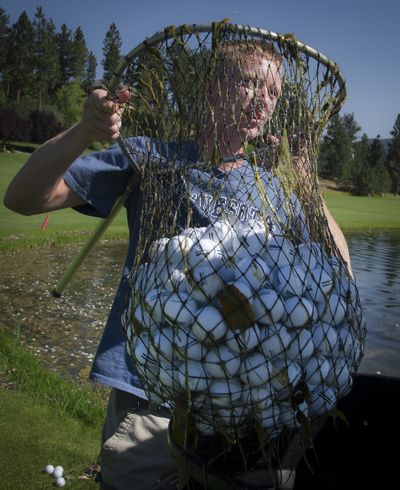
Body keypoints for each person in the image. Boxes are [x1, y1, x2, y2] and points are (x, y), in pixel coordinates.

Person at [4, 39, 351, 490]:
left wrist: (307, 189)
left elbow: (341, 273)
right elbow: (25, 198)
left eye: (273, 92)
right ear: (211, 89)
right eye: (249, 82)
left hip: (252, 415)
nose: (263, 101)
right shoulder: (152, 159)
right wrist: (84, 131)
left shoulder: (276, 190)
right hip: (151, 399)